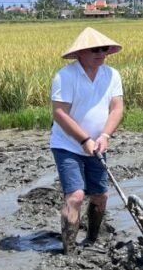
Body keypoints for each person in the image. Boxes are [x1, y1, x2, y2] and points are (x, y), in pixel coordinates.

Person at [50, 27, 124, 254]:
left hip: (98, 145)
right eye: (95, 49)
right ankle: (69, 249)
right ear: (81, 52)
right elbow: (60, 113)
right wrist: (83, 139)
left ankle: (93, 238)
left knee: (100, 195)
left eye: (103, 49)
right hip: (68, 145)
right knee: (76, 195)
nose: (100, 53)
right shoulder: (66, 76)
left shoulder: (112, 74)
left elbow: (117, 107)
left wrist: (104, 135)